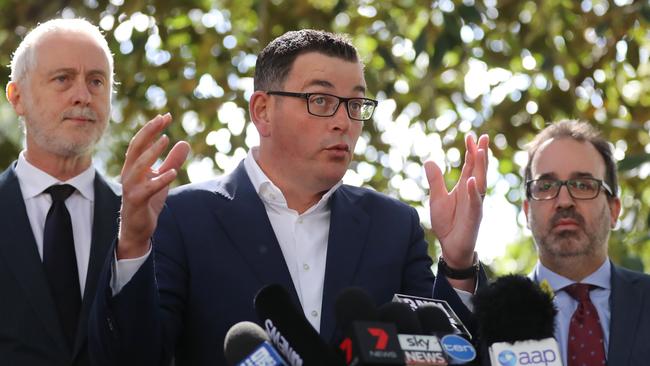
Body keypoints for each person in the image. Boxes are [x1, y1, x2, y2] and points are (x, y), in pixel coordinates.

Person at [89, 29, 488, 365]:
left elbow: (446, 353)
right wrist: (133, 245)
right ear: (262, 111)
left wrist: (456, 265)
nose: (343, 122)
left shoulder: (393, 226)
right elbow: (135, 356)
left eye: (355, 104)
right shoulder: (183, 216)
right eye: (321, 100)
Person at [0, 19, 120, 366]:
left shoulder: (148, 218)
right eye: (63, 79)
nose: (83, 95)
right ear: (17, 97)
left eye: (96, 81)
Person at [522, 120, 650, 365]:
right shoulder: (490, 316)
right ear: (527, 210)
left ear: (614, 210)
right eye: (546, 186)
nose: (564, 201)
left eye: (582, 185)